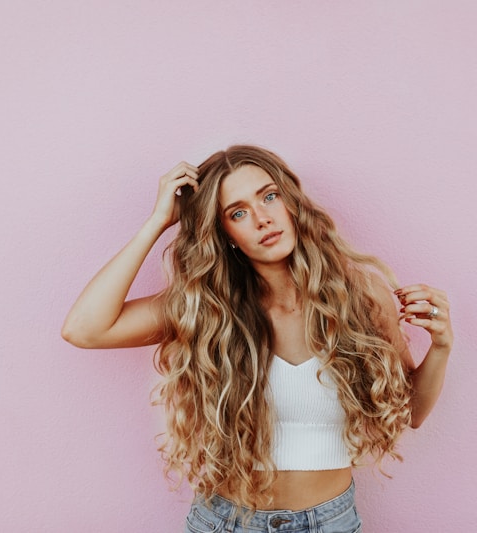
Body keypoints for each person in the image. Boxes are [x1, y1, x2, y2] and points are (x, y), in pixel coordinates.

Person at [62, 145, 453, 533]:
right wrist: (159, 221)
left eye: (269, 196)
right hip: (227, 522)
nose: (263, 219)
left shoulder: (360, 296)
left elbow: (411, 413)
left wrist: (440, 347)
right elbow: (84, 329)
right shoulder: (207, 309)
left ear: (291, 202)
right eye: (238, 212)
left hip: (330, 523)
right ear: (225, 234)